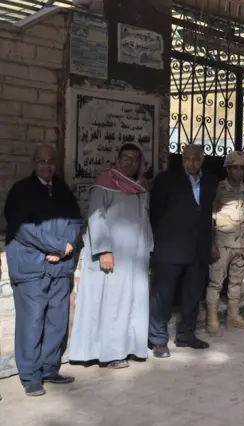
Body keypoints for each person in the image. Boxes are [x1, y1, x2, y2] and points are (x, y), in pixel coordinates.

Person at [4, 144, 82, 396]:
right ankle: (30, 375)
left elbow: (75, 220)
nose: (46, 166)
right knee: (32, 321)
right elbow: (23, 228)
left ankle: (49, 369)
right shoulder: (21, 191)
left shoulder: (62, 190)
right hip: (31, 268)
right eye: (41, 161)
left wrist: (68, 247)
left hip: (59, 267)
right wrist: (59, 246)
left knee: (57, 320)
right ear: (33, 163)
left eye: (50, 162)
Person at [69, 143, 153, 370]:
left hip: (136, 257)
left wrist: (148, 248)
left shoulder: (141, 186)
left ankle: (132, 348)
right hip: (113, 256)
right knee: (114, 305)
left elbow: (144, 220)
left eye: (135, 159)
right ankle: (110, 354)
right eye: (126, 158)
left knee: (133, 303)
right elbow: (97, 218)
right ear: (117, 158)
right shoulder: (104, 183)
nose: (130, 163)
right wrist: (104, 250)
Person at [148, 144, 218, 358]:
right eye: (187, 159)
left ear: (203, 159)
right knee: (163, 295)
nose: (191, 163)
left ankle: (186, 334)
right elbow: (155, 213)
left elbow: (209, 214)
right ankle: (158, 339)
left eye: (196, 159)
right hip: (170, 247)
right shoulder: (166, 180)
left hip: (198, 248)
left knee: (192, 294)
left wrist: (211, 241)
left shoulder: (210, 180)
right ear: (182, 159)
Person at [206, 151, 244, 337]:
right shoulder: (218, 189)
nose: (239, 171)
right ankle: (212, 319)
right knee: (215, 282)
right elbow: (209, 218)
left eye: (242, 168)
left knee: (237, 281)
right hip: (223, 243)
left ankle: (234, 316)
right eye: (235, 168)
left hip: (242, 243)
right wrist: (211, 243)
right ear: (228, 169)